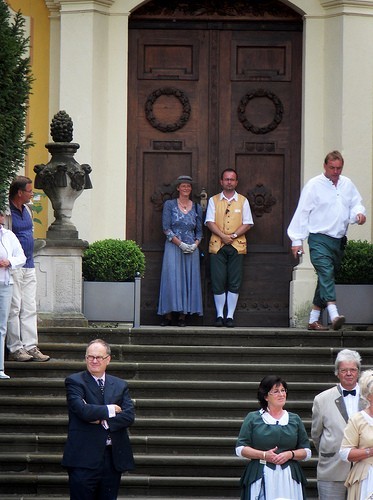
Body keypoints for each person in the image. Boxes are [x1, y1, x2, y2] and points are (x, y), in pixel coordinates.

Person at [287, 150, 366, 331]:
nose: (336, 171)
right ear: (325, 166)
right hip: (318, 238)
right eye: (332, 168)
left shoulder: (347, 184)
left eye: (339, 168)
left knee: (326, 277)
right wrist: (296, 240)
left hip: (338, 240)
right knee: (326, 272)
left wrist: (359, 215)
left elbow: (356, 203)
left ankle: (313, 319)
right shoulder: (314, 185)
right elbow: (302, 212)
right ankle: (334, 313)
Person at [62, 338, 135, 500]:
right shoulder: (74, 382)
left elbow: (129, 416)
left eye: (98, 357)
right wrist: (111, 409)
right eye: (90, 357)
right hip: (83, 458)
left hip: (112, 458)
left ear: (108, 359)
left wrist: (102, 419)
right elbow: (82, 410)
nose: (94, 361)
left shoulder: (120, 385)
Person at [236, 375, 311, 499]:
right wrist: (264, 455)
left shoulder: (294, 419)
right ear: (266, 396)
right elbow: (240, 448)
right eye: (276, 391)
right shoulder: (253, 418)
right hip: (261, 473)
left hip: (288, 477)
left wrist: (290, 454)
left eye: (283, 390)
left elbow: (306, 451)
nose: (281, 394)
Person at [5, 176, 49, 361]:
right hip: (13, 267)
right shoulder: (7, 213)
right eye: (29, 191)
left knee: (30, 306)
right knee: (14, 308)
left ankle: (31, 346)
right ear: (20, 193)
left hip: (29, 264)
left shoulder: (28, 210)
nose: (32, 194)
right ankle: (16, 348)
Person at [311, 349, 364, 500]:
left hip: (365, 469)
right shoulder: (321, 399)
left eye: (353, 369)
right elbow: (316, 435)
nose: (349, 373)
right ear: (337, 373)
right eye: (344, 370)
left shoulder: (369, 397)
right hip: (332, 468)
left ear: (358, 372)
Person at [205, 168, 253, 327]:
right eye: (226, 179)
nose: (229, 182)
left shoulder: (243, 201)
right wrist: (223, 236)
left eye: (232, 179)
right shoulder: (213, 200)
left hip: (237, 246)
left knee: (234, 281)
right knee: (218, 280)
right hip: (217, 245)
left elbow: (247, 223)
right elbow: (209, 221)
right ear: (221, 181)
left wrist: (232, 236)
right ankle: (219, 315)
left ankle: (230, 316)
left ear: (236, 182)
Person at [157, 175, 203, 327]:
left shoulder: (196, 207)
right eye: (183, 186)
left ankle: (183, 315)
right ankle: (168, 315)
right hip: (173, 246)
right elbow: (166, 228)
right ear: (178, 188)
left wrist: (195, 244)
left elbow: (200, 231)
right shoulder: (169, 204)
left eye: (188, 186)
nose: (186, 188)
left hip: (191, 248)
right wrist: (180, 243)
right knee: (171, 279)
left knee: (188, 280)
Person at [339, 369, 373, 500]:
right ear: (369, 396)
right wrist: (370, 451)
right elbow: (344, 453)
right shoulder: (357, 419)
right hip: (366, 477)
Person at [0, 211, 26, 379]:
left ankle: (0, 368)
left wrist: (9, 262)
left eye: (1, 215)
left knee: (2, 327)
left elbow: (21, 257)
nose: (2, 218)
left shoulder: (8, 235)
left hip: (5, 284)